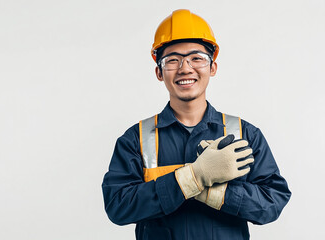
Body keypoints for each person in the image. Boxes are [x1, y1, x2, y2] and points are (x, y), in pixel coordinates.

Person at [102, 9, 291, 240]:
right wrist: (192, 177)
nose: (185, 68)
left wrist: (217, 194)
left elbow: (272, 204)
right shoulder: (136, 139)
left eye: (196, 58)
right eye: (172, 60)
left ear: (212, 68)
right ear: (159, 72)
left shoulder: (244, 134)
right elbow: (118, 207)